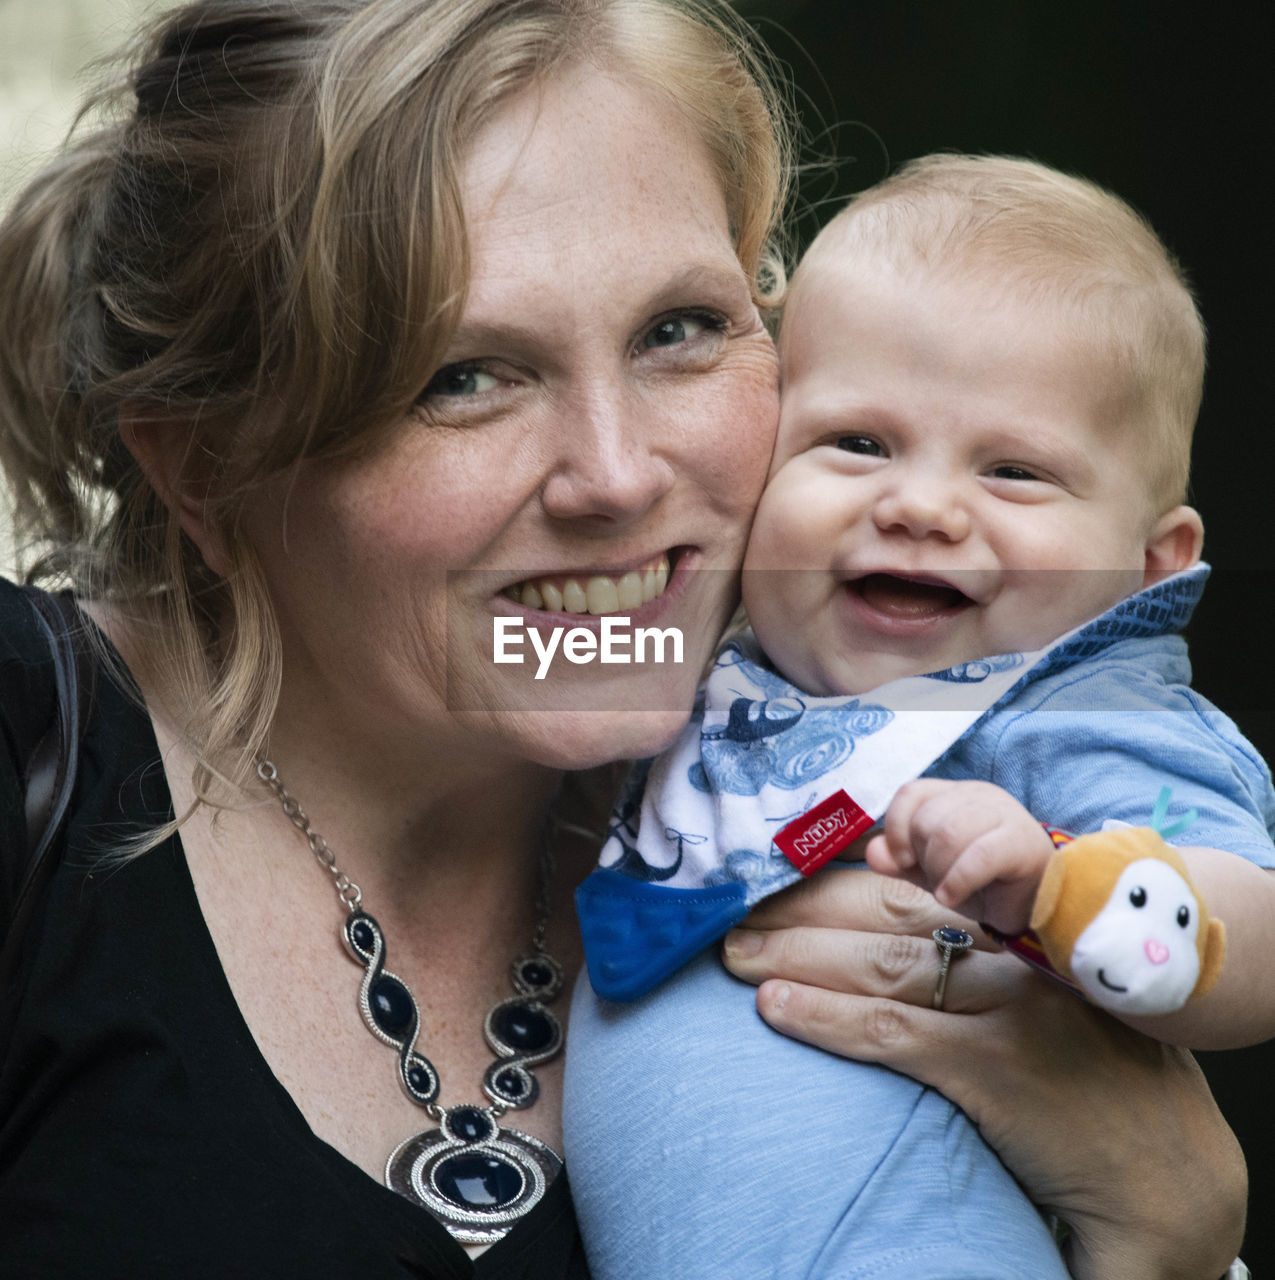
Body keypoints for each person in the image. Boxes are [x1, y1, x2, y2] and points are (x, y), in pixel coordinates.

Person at [0, 3, 1248, 1277]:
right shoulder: (30, 762)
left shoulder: (860, 749)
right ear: (207, 470)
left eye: (679, 330)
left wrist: (1164, 1236)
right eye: (463, 373)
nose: (614, 475)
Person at [566, 156, 1272, 1276]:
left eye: (1015, 471)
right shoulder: (718, 669)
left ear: (1148, 565)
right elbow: (475, 654)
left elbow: (1251, 928)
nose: (919, 505)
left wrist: (1065, 885)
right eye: (857, 443)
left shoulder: (1067, 704)